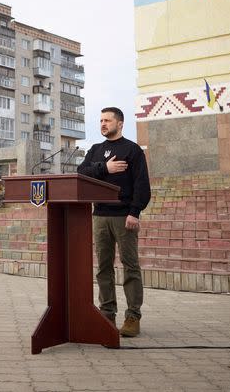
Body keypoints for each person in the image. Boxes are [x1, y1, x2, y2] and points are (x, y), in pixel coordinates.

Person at [77, 107, 151, 338]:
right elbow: (81, 173)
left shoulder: (132, 150)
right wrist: (104, 167)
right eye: (100, 120)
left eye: (107, 120)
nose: (102, 124)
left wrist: (134, 212)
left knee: (130, 267)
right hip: (99, 215)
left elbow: (142, 185)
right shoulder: (96, 150)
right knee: (104, 269)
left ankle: (132, 317)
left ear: (120, 123)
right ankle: (107, 314)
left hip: (123, 216)